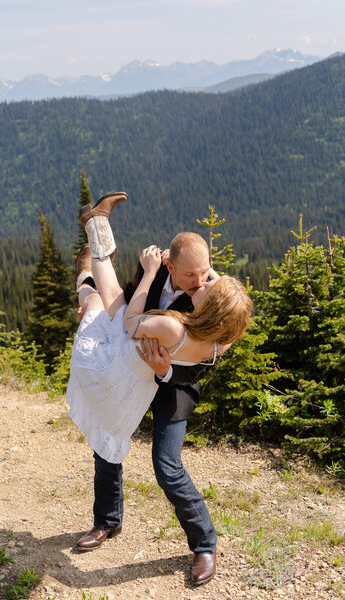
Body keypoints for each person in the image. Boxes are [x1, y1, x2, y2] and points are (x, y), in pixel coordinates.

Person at [67, 192, 253, 586]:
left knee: (167, 466)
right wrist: (125, 292)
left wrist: (166, 371)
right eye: (190, 275)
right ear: (169, 263)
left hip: (172, 385)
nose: (199, 281)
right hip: (130, 367)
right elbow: (128, 311)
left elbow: (201, 368)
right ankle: (107, 522)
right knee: (108, 439)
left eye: (206, 274)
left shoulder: (213, 300)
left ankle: (204, 544)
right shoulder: (155, 269)